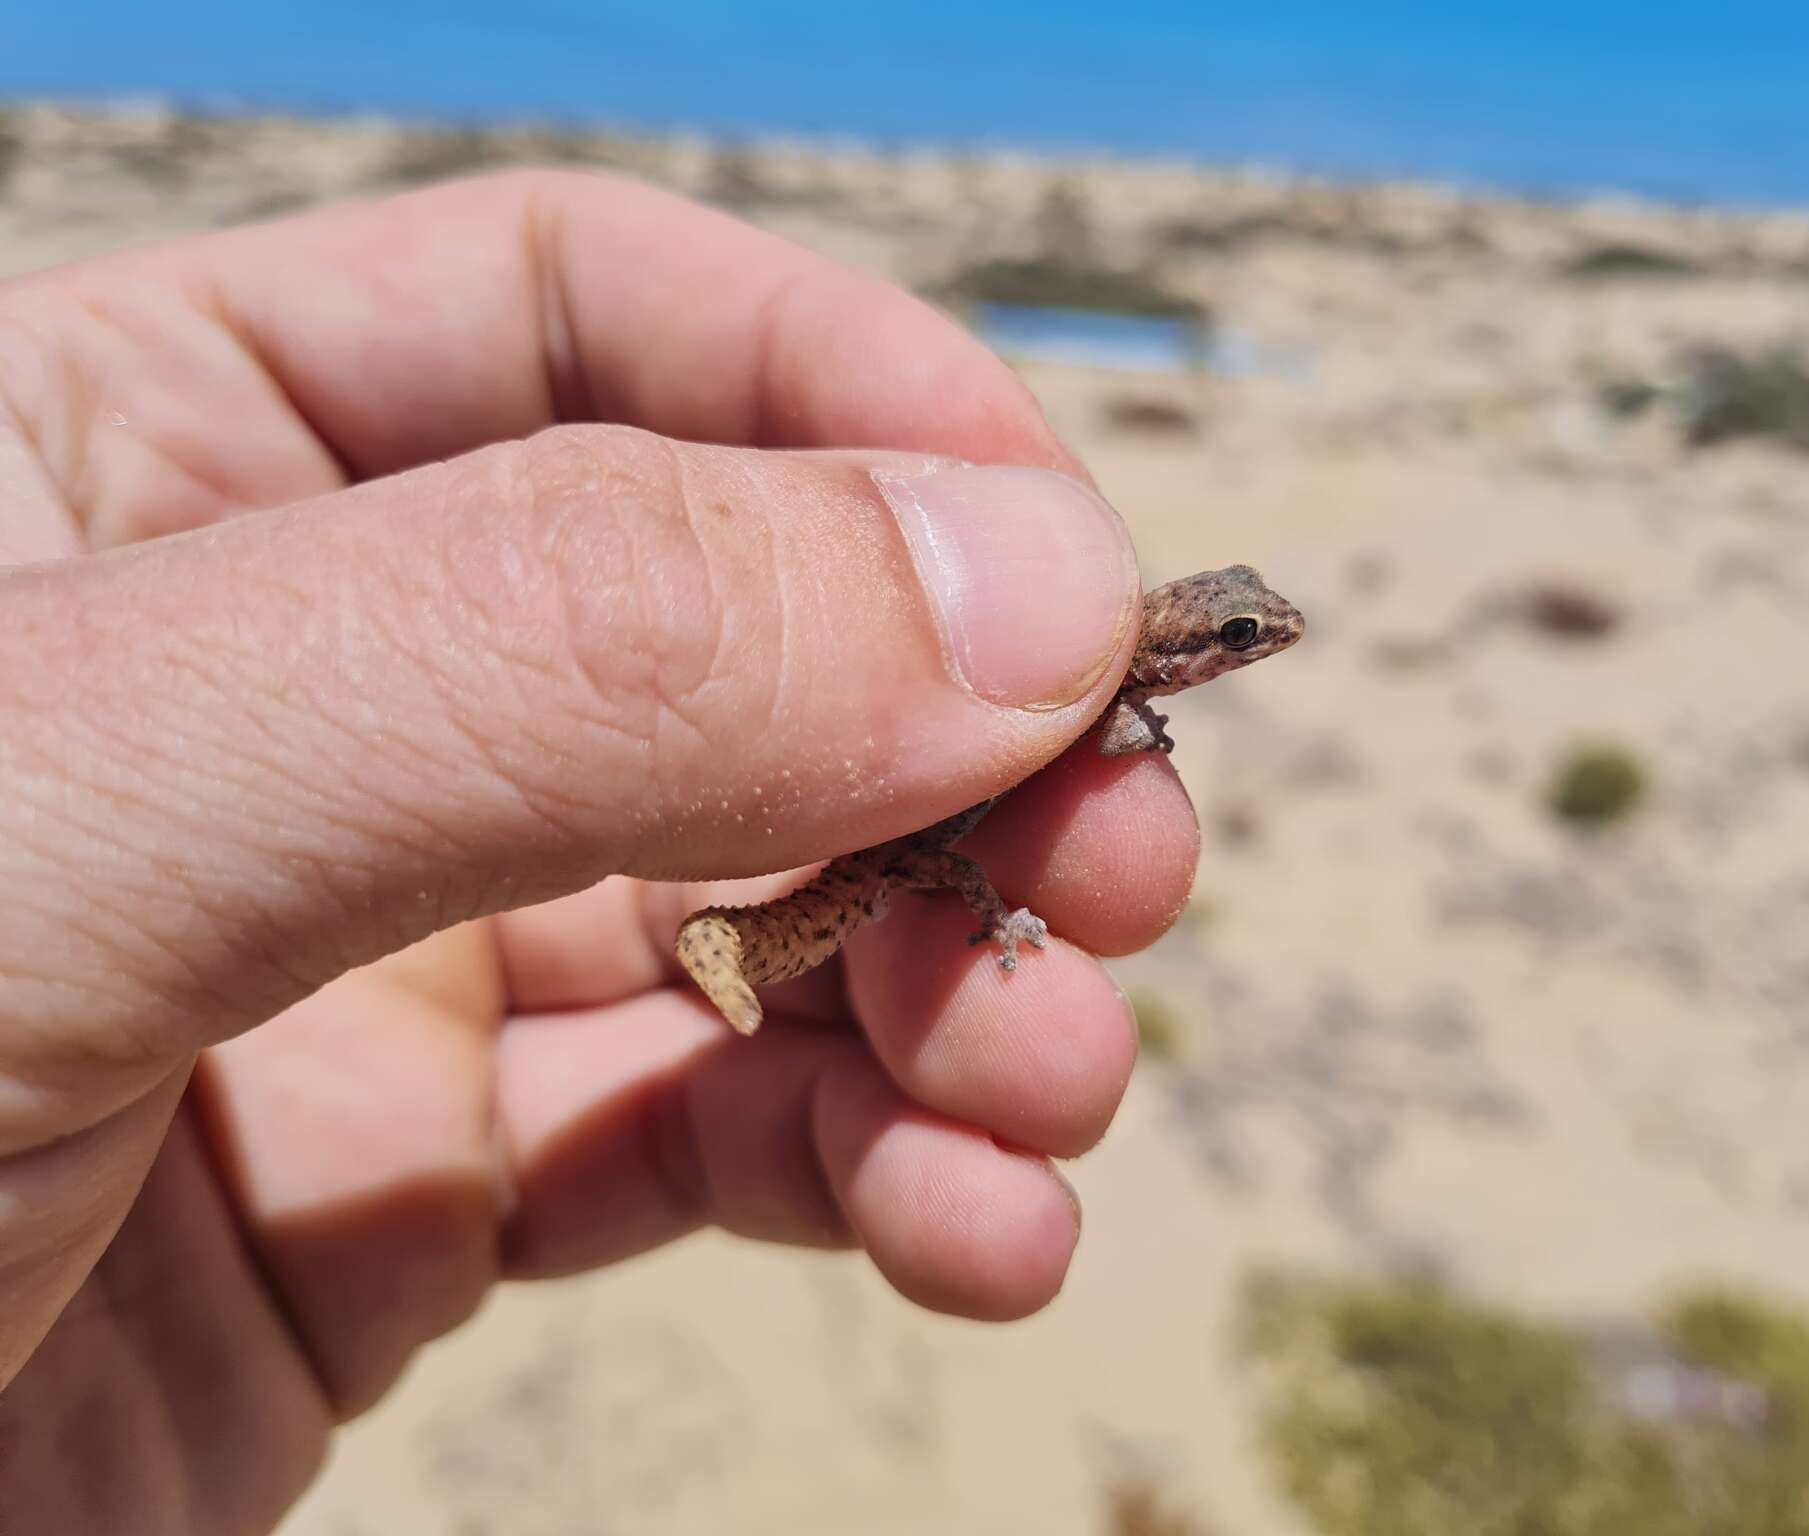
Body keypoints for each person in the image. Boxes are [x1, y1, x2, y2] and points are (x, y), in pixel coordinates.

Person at [0, 171, 1199, 1533]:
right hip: (914, 850)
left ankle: (817, 935)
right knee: (950, 908)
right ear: (1188, 649)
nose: (1243, 651)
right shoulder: (1095, 669)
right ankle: (839, 934)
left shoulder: (1114, 689)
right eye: (1235, 640)